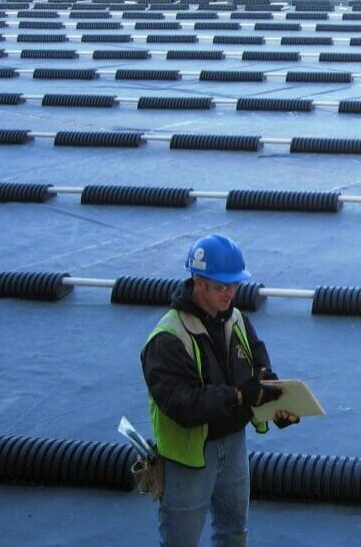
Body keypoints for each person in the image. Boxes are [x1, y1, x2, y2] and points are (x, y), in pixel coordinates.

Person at [141, 234, 299, 547]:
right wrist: (239, 395)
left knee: (233, 533)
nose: (230, 293)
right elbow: (182, 404)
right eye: (221, 287)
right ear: (198, 282)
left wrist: (274, 398)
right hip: (189, 458)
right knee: (180, 542)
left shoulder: (236, 318)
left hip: (234, 444)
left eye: (234, 285)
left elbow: (257, 362)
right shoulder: (168, 338)